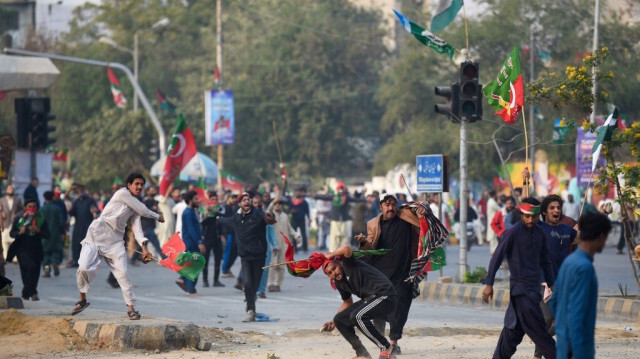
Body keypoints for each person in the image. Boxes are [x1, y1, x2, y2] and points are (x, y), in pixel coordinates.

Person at [72, 173, 164, 320]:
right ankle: (82, 299)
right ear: (129, 185)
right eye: (137, 184)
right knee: (83, 267)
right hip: (96, 235)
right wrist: (157, 215)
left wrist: (144, 249)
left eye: (142, 185)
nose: (140, 187)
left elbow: (137, 227)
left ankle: (131, 309)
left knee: (122, 274)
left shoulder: (135, 204)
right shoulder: (122, 193)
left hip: (115, 242)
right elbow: (143, 210)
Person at [482, 197, 556, 359]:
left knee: (512, 332)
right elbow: (497, 257)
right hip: (521, 291)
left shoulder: (540, 233)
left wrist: (551, 283)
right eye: (527, 216)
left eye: (534, 217)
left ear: (538, 216)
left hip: (533, 290)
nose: (530, 220)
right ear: (521, 214)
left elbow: (545, 260)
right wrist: (489, 283)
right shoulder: (513, 233)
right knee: (541, 334)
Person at [355, 193, 423, 355]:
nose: (391, 208)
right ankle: (382, 341)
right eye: (387, 205)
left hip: (403, 271)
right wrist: (363, 242)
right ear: (380, 207)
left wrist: (421, 212)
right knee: (379, 306)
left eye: (393, 204)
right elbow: (370, 246)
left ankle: (394, 341)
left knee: (400, 305)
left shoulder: (406, 217)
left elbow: (422, 221)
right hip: (381, 272)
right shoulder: (373, 224)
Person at [550, 212, 612, 359]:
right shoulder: (585, 268)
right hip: (578, 348)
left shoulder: (569, 261)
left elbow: (554, 302)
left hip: (564, 344)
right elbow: (577, 314)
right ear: (601, 236)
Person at [321, 245, 398, 359]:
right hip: (371, 299)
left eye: (334, 268)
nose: (334, 273)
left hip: (385, 295)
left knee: (358, 316)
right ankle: (362, 353)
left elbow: (346, 248)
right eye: (330, 273)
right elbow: (347, 302)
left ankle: (387, 347)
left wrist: (331, 255)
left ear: (340, 264)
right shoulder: (339, 283)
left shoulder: (349, 264)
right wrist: (333, 321)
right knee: (340, 319)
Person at [218, 192, 276, 322]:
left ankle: (251, 300)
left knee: (254, 285)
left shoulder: (258, 214)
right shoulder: (236, 218)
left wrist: (270, 217)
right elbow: (224, 221)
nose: (247, 202)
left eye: (248, 199)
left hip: (259, 255)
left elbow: (269, 219)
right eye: (244, 200)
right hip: (245, 256)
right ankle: (251, 310)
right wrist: (215, 218)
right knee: (248, 284)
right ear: (240, 204)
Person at [533, 194, 577, 359]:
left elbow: (584, 236)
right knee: (548, 318)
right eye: (552, 208)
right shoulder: (539, 228)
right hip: (543, 282)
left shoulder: (566, 231)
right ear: (544, 212)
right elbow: (526, 207)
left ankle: (540, 352)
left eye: (558, 207)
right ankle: (539, 353)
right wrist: (525, 182)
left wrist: (602, 216)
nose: (556, 210)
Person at [7, 198, 49, 301]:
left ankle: (26, 293)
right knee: (26, 270)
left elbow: (48, 234)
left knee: (35, 271)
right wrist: (19, 232)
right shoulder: (19, 219)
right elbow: (12, 233)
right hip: (22, 249)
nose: (32, 209)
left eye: (34, 207)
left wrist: (38, 230)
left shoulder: (41, 219)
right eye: (29, 207)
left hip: (36, 249)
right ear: (25, 208)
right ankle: (33, 293)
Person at [176, 190, 206, 296]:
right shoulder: (188, 213)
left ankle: (182, 279)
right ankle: (190, 289)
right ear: (190, 201)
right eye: (196, 199)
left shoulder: (192, 211)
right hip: (191, 242)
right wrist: (199, 242)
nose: (198, 201)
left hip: (192, 241)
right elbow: (191, 229)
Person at [267, 196, 299, 292]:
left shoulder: (285, 216)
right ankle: (270, 284)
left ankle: (277, 284)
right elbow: (268, 211)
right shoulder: (270, 214)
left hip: (284, 243)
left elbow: (289, 228)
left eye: (279, 203)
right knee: (273, 265)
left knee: (281, 266)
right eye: (276, 203)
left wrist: (296, 236)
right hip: (274, 244)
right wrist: (273, 202)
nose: (278, 205)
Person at [68, 184, 98, 267]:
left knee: (87, 244)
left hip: (87, 226)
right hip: (77, 226)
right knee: (76, 244)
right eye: (79, 191)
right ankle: (75, 261)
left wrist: (94, 211)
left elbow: (94, 209)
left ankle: (87, 261)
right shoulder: (76, 202)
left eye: (82, 191)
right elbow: (72, 213)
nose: (80, 193)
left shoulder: (90, 200)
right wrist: (69, 210)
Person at [201, 191, 224, 288]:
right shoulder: (203, 210)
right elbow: (201, 222)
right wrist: (207, 212)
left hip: (218, 238)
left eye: (216, 199)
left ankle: (216, 280)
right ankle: (205, 280)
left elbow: (224, 215)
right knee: (205, 260)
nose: (214, 201)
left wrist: (215, 211)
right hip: (207, 238)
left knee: (218, 259)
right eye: (212, 199)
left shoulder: (220, 208)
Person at [40, 191, 65, 278]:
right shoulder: (57, 208)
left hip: (44, 235)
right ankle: (55, 263)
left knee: (45, 255)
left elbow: (39, 222)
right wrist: (62, 232)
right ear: (52, 197)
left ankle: (47, 272)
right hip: (55, 234)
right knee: (55, 251)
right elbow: (61, 222)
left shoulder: (42, 209)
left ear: (44, 198)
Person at [1, 185, 24, 261]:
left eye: (12, 189)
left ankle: (15, 257)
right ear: (6, 190)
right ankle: (5, 257)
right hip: (5, 223)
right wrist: (2, 213)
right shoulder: (2, 200)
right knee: (5, 241)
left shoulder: (18, 200)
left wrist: (17, 215)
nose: (10, 190)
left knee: (14, 240)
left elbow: (22, 210)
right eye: (9, 188)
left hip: (14, 223)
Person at [220, 193, 239, 278]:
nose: (234, 200)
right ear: (228, 198)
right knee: (228, 252)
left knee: (234, 252)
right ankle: (224, 270)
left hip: (234, 233)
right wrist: (222, 234)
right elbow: (221, 221)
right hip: (227, 233)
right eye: (232, 198)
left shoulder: (234, 208)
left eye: (235, 198)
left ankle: (227, 268)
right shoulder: (224, 208)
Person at [289, 187, 310, 253]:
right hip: (294, 219)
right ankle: (295, 248)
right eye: (297, 192)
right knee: (294, 234)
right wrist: (291, 211)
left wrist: (309, 219)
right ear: (295, 193)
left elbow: (307, 211)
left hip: (302, 220)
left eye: (299, 192)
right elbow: (288, 209)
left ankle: (305, 248)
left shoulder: (304, 202)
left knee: (303, 234)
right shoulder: (291, 201)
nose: (298, 193)